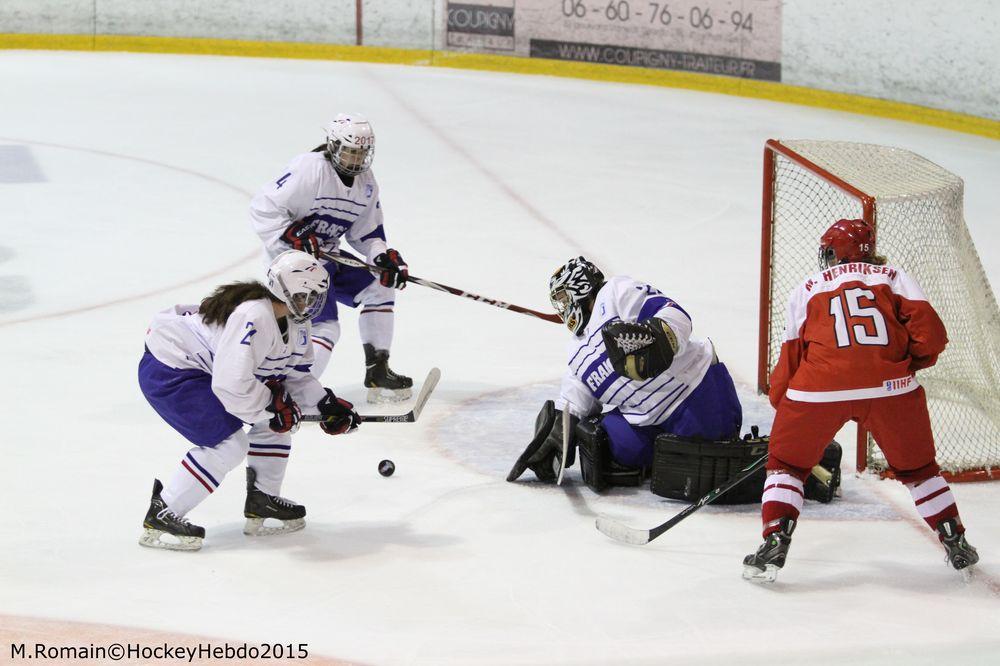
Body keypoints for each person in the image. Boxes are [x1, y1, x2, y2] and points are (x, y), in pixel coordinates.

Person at [743, 219, 979, 582]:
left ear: (833, 253)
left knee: (787, 467)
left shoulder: (807, 287)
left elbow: (790, 359)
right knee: (920, 472)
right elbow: (931, 337)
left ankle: (774, 540)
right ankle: (955, 539)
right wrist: (898, 367)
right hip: (891, 389)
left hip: (817, 390)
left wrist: (787, 408)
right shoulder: (893, 276)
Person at [137, 250, 361, 551]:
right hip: (173, 368)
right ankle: (162, 512)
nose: (311, 303)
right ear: (286, 290)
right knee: (230, 444)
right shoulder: (254, 315)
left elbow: (295, 376)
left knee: (277, 420)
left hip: (207, 371)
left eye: (315, 296)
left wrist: (325, 404)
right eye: (306, 295)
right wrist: (271, 407)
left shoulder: (297, 323)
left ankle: (262, 500)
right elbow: (231, 385)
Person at [507, 257, 744, 491]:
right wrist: (559, 429)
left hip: (693, 393)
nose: (562, 307)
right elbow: (573, 399)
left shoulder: (615, 293)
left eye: (563, 297)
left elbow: (673, 312)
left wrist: (661, 337)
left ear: (580, 287)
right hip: (644, 421)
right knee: (598, 443)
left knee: (705, 463)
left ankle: (693, 448)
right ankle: (660, 459)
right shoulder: (576, 351)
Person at [249, 112, 412, 403]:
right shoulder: (308, 169)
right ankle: (293, 396)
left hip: (327, 259)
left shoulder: (366, 184)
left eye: (362, 153)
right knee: (326, 327)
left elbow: (367, 234)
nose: (356, 160)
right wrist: (291, 233)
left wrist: (383, 257)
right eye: (350, 151)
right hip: (291, 265)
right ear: (334, 146)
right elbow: (263, 207)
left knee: (380, 287)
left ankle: (377, 369)